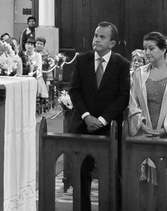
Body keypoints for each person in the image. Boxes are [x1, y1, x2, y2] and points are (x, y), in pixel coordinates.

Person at [65, 21, 131, 206]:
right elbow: (74, 90)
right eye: (95, 35)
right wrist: (87, 116)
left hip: (109, 127)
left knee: (111, 173)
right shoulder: (82, 60)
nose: (97, 39)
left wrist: (102, 120)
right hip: (83, 125)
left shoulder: (122, 64)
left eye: (102, 37)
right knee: (81, 173)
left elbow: (122, 97)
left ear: (112, 43)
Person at [128, 31, 167, 203]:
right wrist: (141, 123)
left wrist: (165, 129)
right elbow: (133, 103)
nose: (147, 52)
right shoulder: (138, 74)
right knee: (145, 187)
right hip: (145, 132)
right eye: (145, 48)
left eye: (151, 48)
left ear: (163, 50)